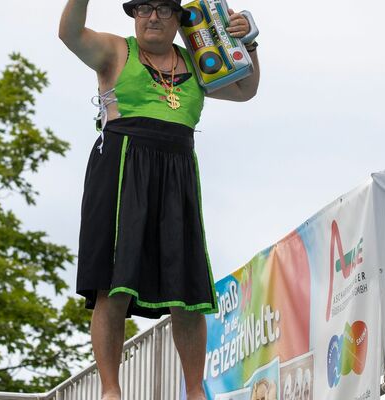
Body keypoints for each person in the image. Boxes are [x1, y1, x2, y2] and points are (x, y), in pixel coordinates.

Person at [59, 1, 259, 399]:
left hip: (177, 169)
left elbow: (244, 90)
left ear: (178, 18)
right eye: (144, 9)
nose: (153, 17)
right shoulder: (117, 52)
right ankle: (111, 391)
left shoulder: (199, 59)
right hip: (121, 164)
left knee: (187, 287)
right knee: (113, 284)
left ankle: (194, 391)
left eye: (164, 10)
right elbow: (69, 33)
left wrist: (247, 43)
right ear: (134, 16)